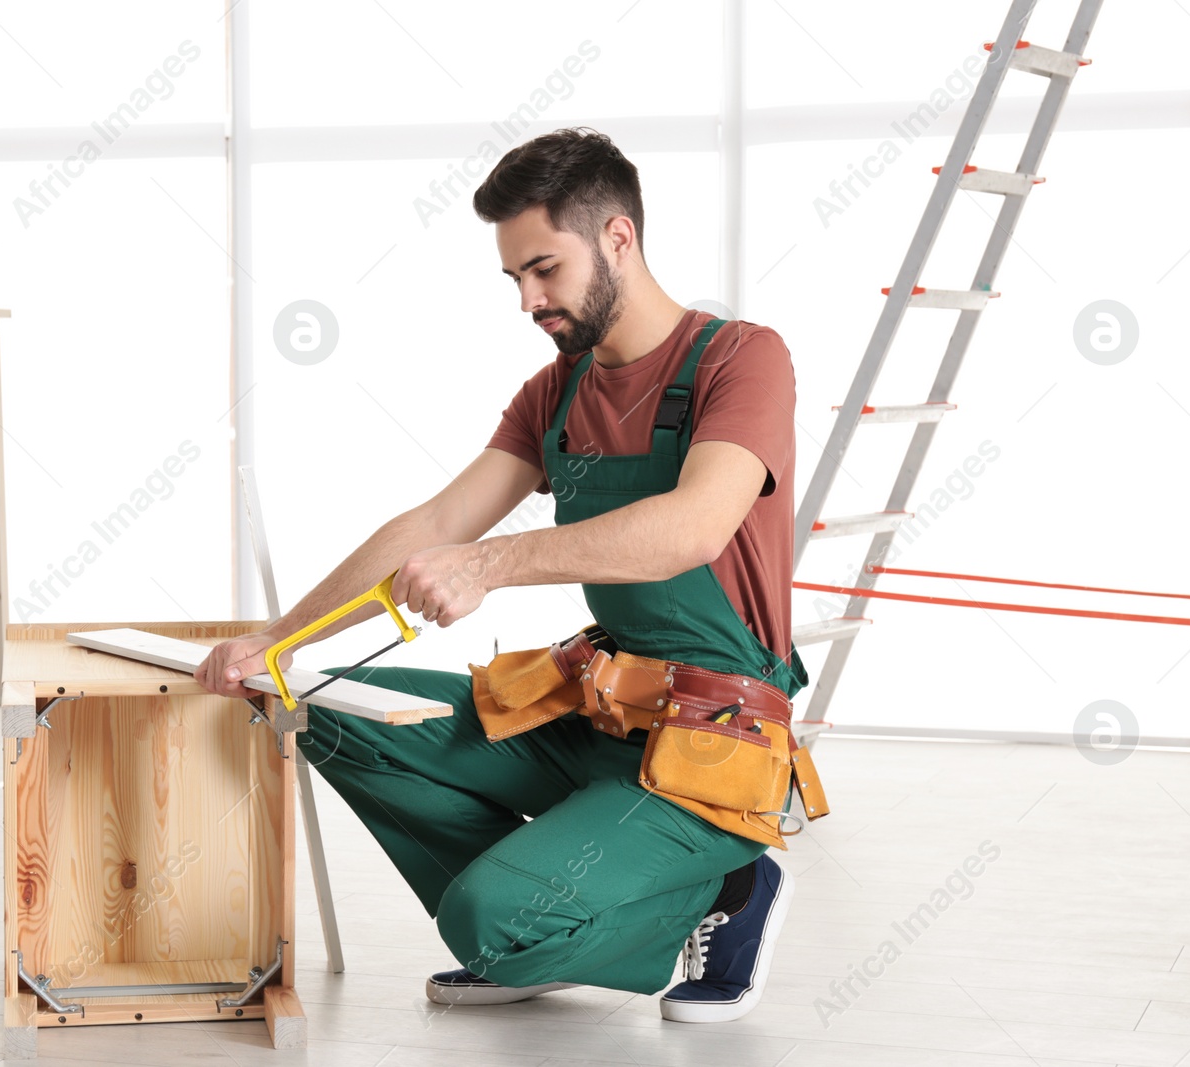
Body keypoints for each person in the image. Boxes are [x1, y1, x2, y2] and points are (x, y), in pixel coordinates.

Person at [195, 126, 810, 1024]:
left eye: (544, 269)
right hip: (599, 715)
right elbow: (436, 523)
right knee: (321, 704)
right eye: (514, 277)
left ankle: (725, 891)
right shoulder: (556, 390)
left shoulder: (740, 359)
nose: (528, 298)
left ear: (618, 238)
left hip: (710, 745)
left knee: (486, 916)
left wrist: (493, 563)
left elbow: (690, 527)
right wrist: (279, 641)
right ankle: (535, 914)